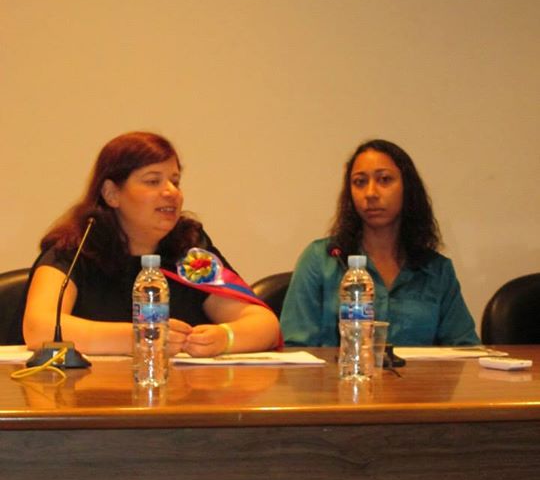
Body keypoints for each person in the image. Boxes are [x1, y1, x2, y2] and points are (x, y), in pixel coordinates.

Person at [21, 131, 280, 356]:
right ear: (111, 194)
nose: (171, 192)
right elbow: (39, 327)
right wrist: (142, 336)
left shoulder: (188, 253)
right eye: (153, 181)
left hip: (178, 392)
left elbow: (264, 324)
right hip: (84, 392)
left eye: (175, 181)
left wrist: (225, 338)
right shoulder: (75, 249)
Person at [280, 139, 479, 347]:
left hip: (416, 371)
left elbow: (466, 349)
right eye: (360, 182)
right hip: (344, 368)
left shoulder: (436, 270)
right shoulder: (322, 259)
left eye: (384, 180)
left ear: (407, 188)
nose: (371, 193)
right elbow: (294, 349)